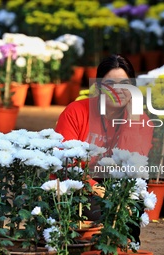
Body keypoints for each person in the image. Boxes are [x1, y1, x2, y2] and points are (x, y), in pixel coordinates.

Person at [55, 54, 154, 243]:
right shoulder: (75, 112)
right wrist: (94, 186)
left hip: (116, 188)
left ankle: (126, 246)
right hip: (78, 187)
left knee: (133, 199)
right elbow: (64, 162)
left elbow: (133, 166)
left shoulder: (142, 121)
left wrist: (132, 119)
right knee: (102, 208)